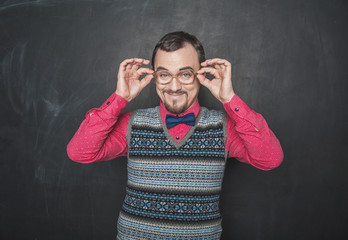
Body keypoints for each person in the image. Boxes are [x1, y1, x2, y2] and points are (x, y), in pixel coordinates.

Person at [67, 31, 283, 240]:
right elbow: (80, 153)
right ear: (154, 77)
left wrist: (230, 99)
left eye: (185, 74)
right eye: (164, 75)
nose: (174, 86)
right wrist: (120, 98)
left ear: (202, 75)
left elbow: (270, 158)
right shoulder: (131, 124)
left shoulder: (224, 127)